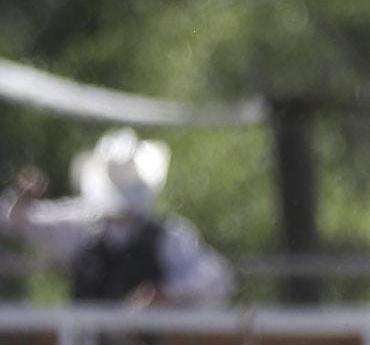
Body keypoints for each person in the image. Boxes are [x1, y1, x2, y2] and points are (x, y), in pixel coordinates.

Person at [1, 128, 232, 308]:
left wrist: (168, 292)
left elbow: (217, 278)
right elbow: (17, 222)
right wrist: (21, 198)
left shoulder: (167, 235)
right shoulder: (82, 225)